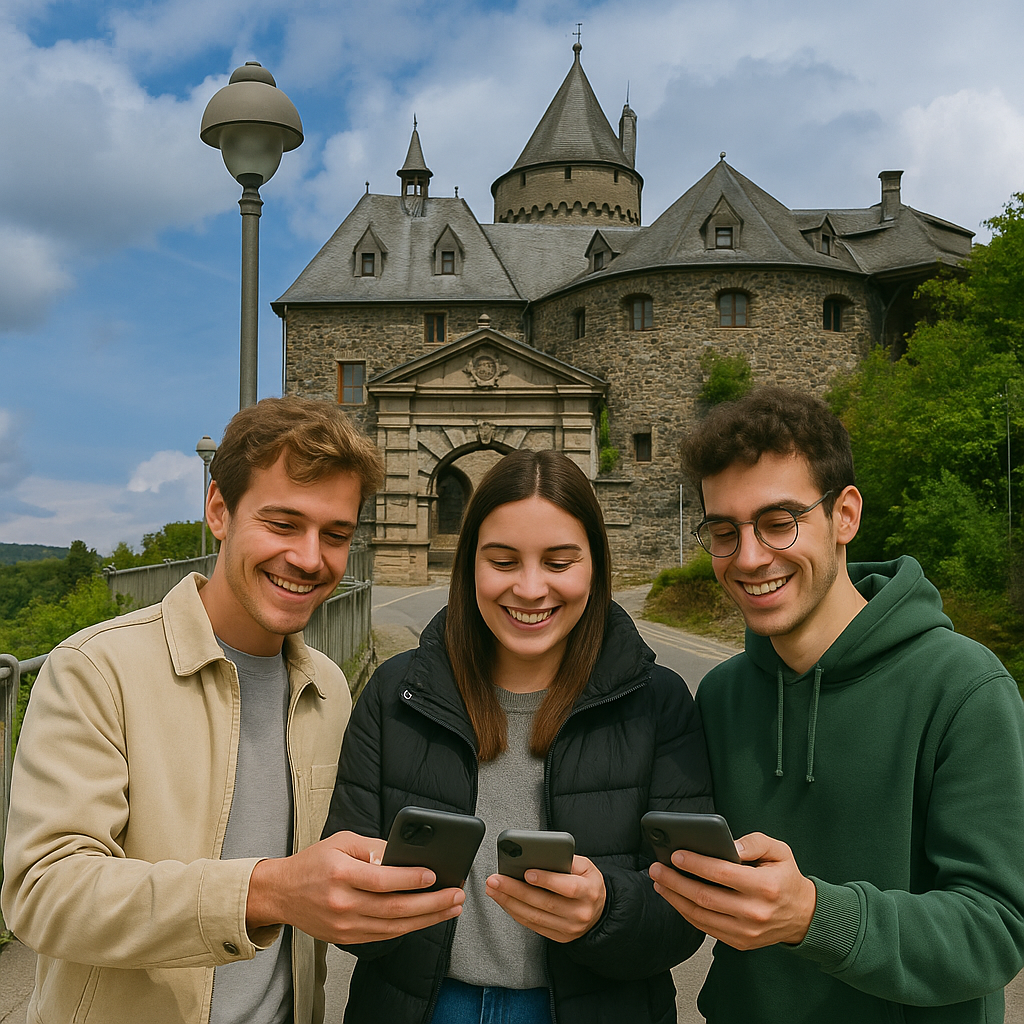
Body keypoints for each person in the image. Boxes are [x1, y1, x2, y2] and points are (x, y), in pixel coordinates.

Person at [1, 397, 466, 1024]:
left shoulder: (327, 687)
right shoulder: (95, 668)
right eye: (282, 524)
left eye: (336, 535)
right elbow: (43, 894)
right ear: (218, 509)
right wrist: (267, 891)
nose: (310, 558)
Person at [650, 385, 1024, 1023]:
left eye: (778, 522)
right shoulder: (720, 696)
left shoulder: (964, 689)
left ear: (844, 514)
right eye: (722, 531)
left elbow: (995, 931)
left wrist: (813, 916)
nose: (748, 557)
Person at [324, 448, 713, 1024]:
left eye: (558, 562)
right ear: (470, 566)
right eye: (503, 561)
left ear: (596, 567)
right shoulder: (394, 694)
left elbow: (688, 912)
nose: (530, 590)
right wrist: (365, 902)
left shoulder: (658, 702)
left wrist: (605, 911)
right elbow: (344, 906)